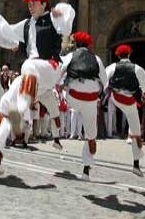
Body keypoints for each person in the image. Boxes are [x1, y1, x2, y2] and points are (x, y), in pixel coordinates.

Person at [0, 0, 75, 176]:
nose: (30, 6)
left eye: (34, 2)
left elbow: (67, 22)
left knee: (28, 65)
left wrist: (60, 11)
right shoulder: (27, 24)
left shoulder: (53, 19)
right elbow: (6, 30)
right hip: (32, 78)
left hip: (49, 68)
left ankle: (21, 113)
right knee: (6, 100)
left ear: (44, 4)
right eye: (28, 3)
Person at [59, 32, 108, 180]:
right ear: (88, 44)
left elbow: (58, 74)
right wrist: (98, 91)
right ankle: (86, 170)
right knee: (90, 133)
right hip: (90, 100)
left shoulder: (70, 57)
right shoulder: (97, 59)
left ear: (76, 44)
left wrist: (62, 85)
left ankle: (55, 121)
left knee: (62, 105)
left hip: (73, 97)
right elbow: (105, 81)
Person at [104, 44, 145, 177]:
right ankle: (136, 164)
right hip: (130, 102)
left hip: (115, 98)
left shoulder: (112, 67)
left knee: (118, 113)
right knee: (136, 132)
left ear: (118, 56)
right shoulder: (137, 68)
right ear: (129, 55)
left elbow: (103, 80)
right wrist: (141, 91)